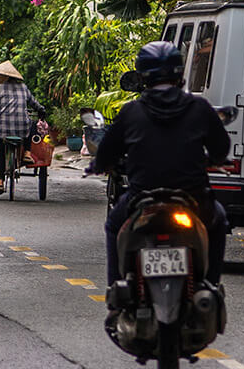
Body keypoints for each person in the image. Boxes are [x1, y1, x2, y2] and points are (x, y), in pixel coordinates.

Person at [94, 40, 230, 305]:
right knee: (220, 220)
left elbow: (105, 155)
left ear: (142, 76)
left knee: (113, 225)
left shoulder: (131, 112)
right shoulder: (200, 108)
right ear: (180, 73)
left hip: (140, 201)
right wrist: (212, 159)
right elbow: (221, 149)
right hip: (193, 201)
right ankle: (211, 285)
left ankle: (115, 289)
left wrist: (107, 164)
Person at [0, 59, 42, 195]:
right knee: (30, 123)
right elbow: (35, 103)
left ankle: (0, 182)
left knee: (0, 150)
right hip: (22, 128)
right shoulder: (23, 87)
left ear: (5, 77)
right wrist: (42, 110)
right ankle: (27, 153)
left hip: (3, 128)